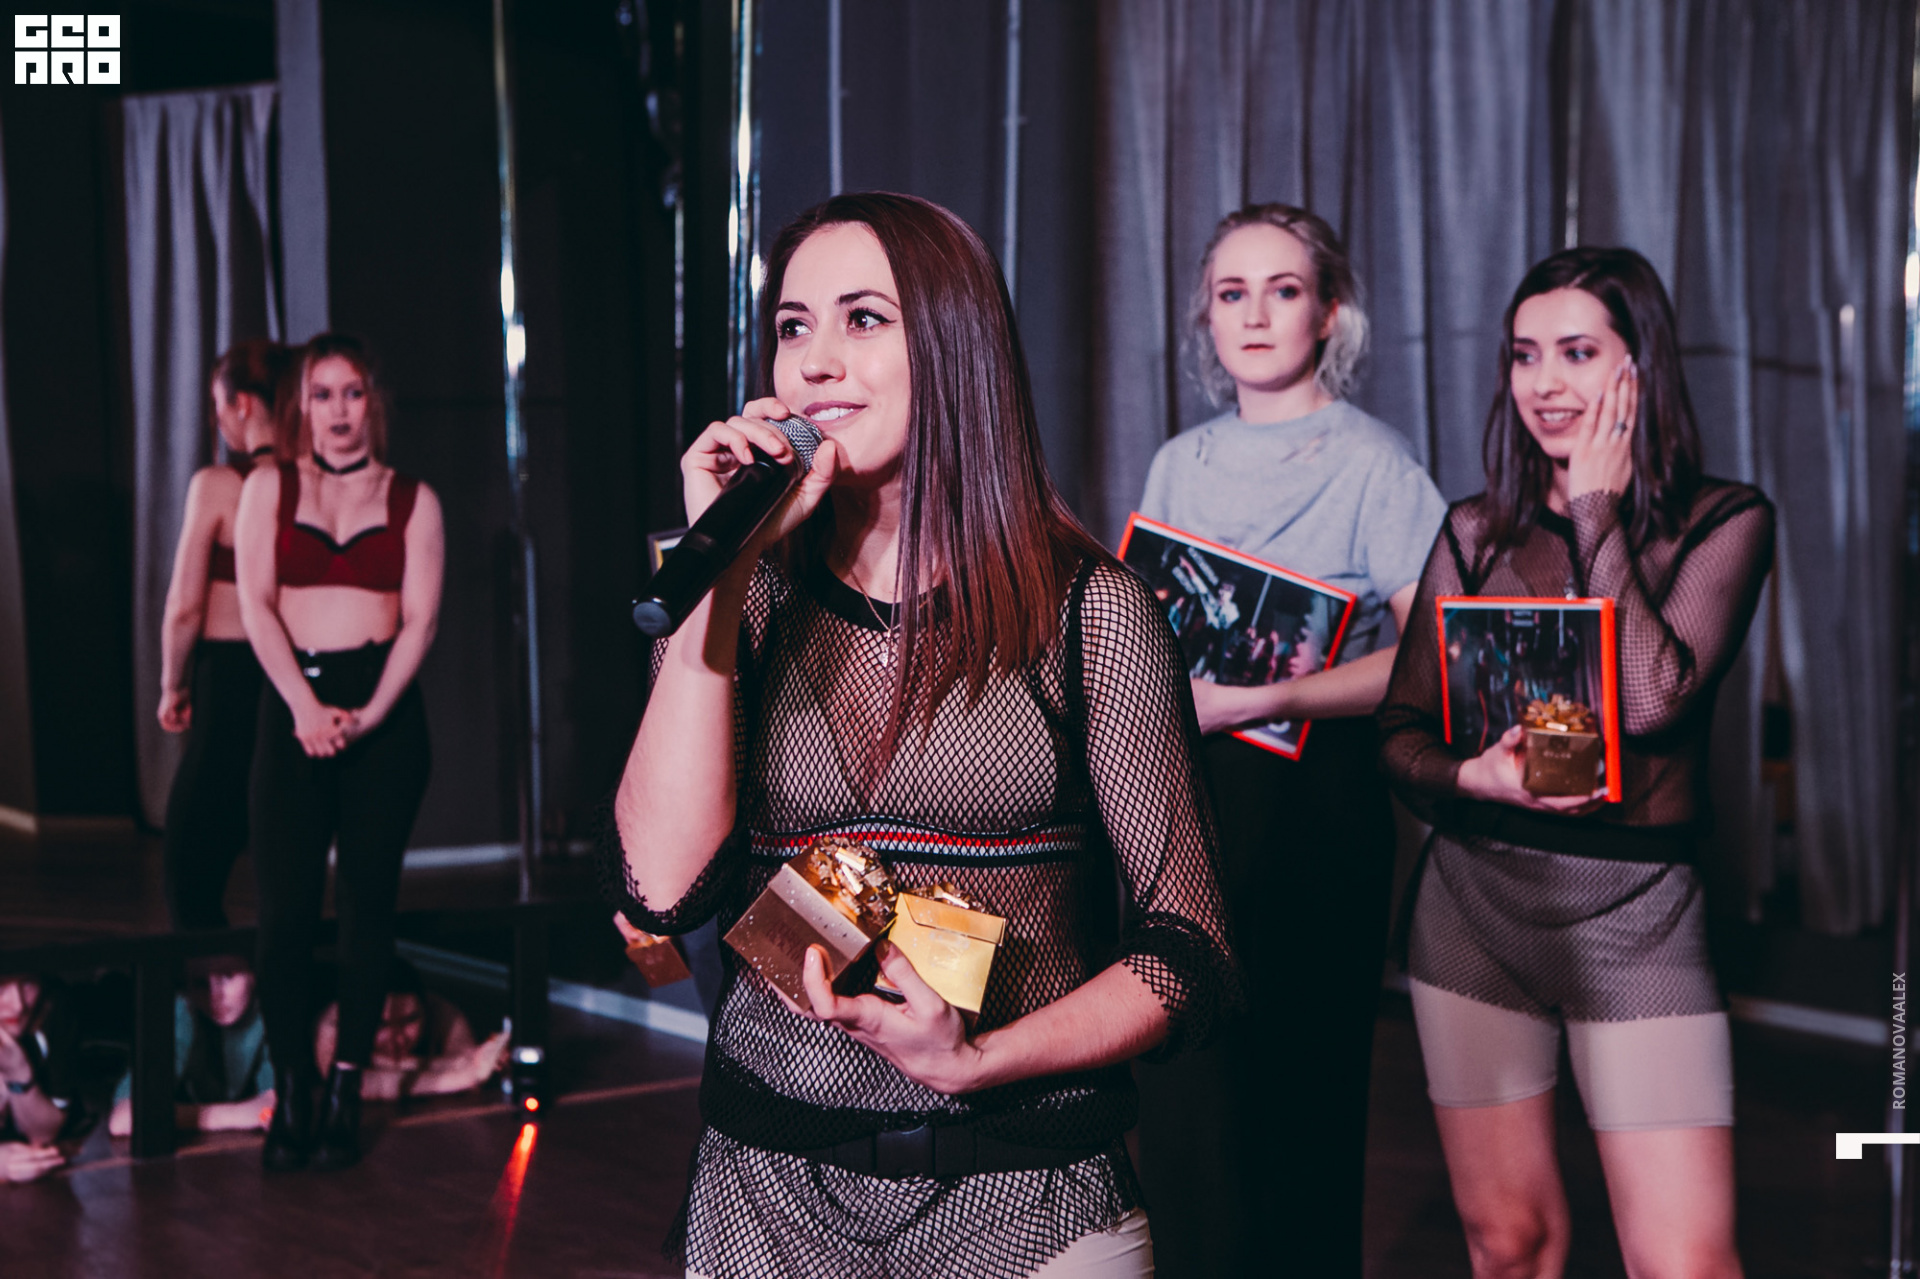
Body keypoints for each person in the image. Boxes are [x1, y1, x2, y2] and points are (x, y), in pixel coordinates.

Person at [604, 192, 1236, 1279]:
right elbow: (661, 890)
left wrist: (979, 1058)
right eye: (793, 326)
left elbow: (1191, 952)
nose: (815, 361)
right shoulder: (746, 597)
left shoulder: (1090, 610)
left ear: (954, 344)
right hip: (766, 1197)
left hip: (1026, 1195)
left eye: (863, 319)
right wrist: (722, 570)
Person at [1377, 246, 1772, 1278]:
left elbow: (1650, 701)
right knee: (1510, 1247)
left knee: (1684, 1263)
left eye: (1578, 352)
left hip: (1639, 922)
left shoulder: (1724, 522)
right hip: (1472, 913)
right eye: (1524, 355)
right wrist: (1471, 776)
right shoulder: (1475, 531)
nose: (1545, 383)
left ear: (1640, 367)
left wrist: (1596, 506)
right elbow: (1400, 731)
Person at [1130, 202, 1448, 1276]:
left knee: (1302, 1100)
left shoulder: (1376, 463)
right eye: (1233, 293)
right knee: (1184, 1083)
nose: (1256, 314)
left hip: (1317, 809)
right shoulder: (1178, 462)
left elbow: (1431, 661)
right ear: (1206, 317)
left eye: (1284, 290)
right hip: (1183, 795)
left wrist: (1260, 698)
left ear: (1330, 314)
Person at [233, 334, 444, 1173]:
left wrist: (367, 715)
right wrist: (305, 707)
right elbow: (255, 604)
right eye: (322, 394)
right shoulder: (269, 485)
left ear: (372, 401)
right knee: (284, 912)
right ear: (302, 406)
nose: (339, 410)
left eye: (352, 392)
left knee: (367, 907)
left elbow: (420, 622)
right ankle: (294, 1086)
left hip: (381, 712)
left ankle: (347, 1089)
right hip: (293, 702)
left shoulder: (414, 498)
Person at [157, 338, 288, 930]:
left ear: (242, 404)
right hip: (294, 682)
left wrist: (172, 685)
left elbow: (185, 608)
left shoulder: (219, 484)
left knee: (189, 867)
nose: (217, 420)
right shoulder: (309, 483)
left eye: (217, 406)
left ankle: (215, 982)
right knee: (281, 861)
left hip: (230, 679)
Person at [107, 958, 275, 1139]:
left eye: (227, 976)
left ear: (253, 973)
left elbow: (274, 1108)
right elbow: (124, 1119)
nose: (215, 995)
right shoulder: (183, 1010)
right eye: (200, 983)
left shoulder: (270, 1010)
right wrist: (239, 1114)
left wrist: (170, 1114)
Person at [312, 960, 509, 1101]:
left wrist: (476, 1063)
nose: (396, 1038)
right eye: (381, 1024)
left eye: (409, 1021)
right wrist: (458, 1077)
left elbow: (468, 1063)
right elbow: (356, 1086)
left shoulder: (440, 1010)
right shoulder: (334, 1023)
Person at [0, 975, 76, 1183]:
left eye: (28, 981)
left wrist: (18, 1071)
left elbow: (43, 1135)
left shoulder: (52, 1009)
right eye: (0, 985)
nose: (18, 1005)